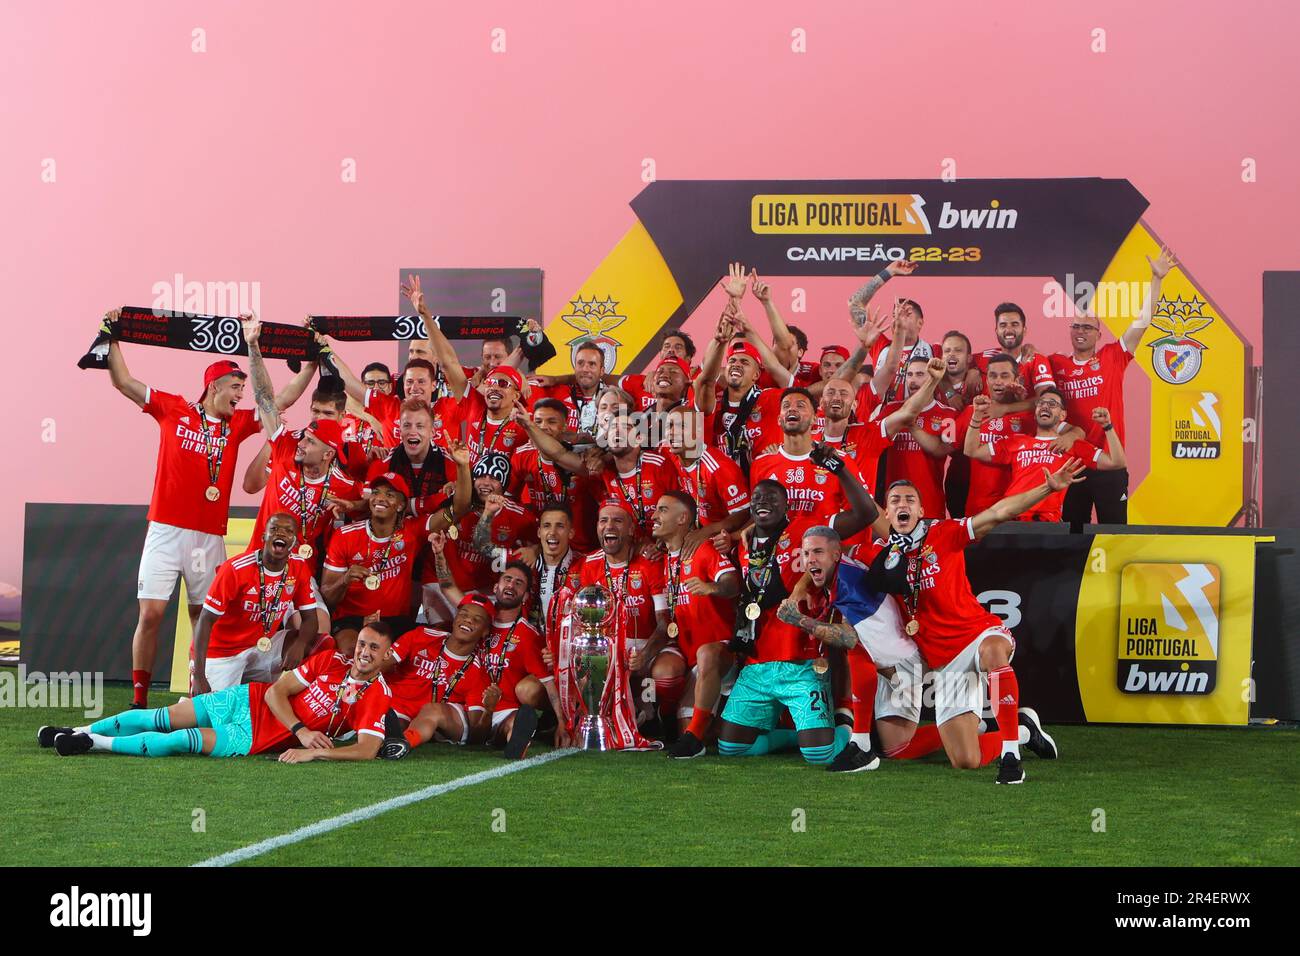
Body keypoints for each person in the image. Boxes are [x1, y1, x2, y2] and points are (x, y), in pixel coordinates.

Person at [103, 309, 307, 707]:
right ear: (214, 386)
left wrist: (313, 362)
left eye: (242, 390)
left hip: (207, 537)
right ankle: (139, 700)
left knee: (203, 618)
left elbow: (280, 399)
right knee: (151, 617)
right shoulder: (173, 408)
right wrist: (111, 336)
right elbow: (124, 382)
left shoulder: (238, 424)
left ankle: (199, 693)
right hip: (164, 529)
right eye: (235, 387)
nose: (240, 396)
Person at [846, 473, 1074, 783]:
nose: (903, 505)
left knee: (994, 651)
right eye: (895, 500)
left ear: (921, 511)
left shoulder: (945, 533)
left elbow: (998, 513)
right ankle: (1023, 730)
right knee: (966, 760)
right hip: (945, 663)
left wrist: (1047, 488)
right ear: (886, 513)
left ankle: (1011, 756)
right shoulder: (876, 557)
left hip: (977, 633)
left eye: (910, 500)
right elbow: (831, 561)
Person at [714, 443, 876, 766]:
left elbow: (866, 514)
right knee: (731, 748)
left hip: (801, 661)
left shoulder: (807, 530)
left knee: (820, 755)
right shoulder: (745, 546)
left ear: (787, 505)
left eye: (773, 499)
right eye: (757, 498)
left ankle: (846, 731)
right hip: (757, 664)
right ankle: (790, 738)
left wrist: (838, 467)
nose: (763, 504)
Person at [42, 623, 396, 762]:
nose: (364, 652)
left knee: (179, 740)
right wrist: (300, 733)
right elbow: (276, 692)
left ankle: (92, 743)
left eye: (374, 649)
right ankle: (77, 731)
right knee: (161, 717)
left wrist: (314, 754)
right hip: (247, 700)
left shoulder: (377, 694)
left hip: (253, 736)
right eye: (363, 644)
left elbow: (367, 749)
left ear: (386, 655)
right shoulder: (331, 661)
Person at [777, 523, 921, 772]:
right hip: (882, 662)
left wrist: (799, 620)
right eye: (806, 553)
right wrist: (801, 588)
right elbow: (821, 563)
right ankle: (861, 741)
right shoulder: (844, 563)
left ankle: (862, 744)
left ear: (835, 555)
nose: (810, 560)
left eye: (817, 552)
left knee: (900, 749)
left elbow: (849, 639)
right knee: (891, 746)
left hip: (901, 665)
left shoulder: (848, 587)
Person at [1050, 246, 1177, 524]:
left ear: (1098, 333)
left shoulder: (1113, 356)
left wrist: (1157, 279)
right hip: (1073, 463)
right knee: (1072, 539)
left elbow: (1143, 322)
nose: (1080, 331)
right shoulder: (1055, 363)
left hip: (1110, 462)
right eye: (1076, 326)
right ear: (1069, 331)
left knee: (1115, 535)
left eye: (1087, 328)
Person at [321, 453, 471, 653]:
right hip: (352, 620)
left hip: (394, 622)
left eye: (390, 494)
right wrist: (345, 580)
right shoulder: (344, 535)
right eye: (376, 492)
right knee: (352, 652)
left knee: (426, 652)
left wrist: (463, 466)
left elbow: (459, 508)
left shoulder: (412, 530)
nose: (380, 498)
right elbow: (327, 597)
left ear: (401, 505)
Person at [651, 492, 741, 759]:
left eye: (662, 510)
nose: (654, 516)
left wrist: (711, 587)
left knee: (707, 654)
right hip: (693, 659)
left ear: (683, 518)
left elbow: (734, 583)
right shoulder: (666, 559)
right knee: (701, 735)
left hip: (722, 652)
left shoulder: (705, 549)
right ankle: (699, 729)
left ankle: (701, 733)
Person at [191, 513, 319, 694]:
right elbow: (204, 620)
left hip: (261, 647)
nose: (281, 534)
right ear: (263, 537)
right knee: (210, 716)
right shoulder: (235, 569)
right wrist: (199, 675)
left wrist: (299, 645)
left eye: (288, 531)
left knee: (321, 643)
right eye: (274, 529)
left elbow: (311, 619)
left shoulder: (298, 566)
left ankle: (301, 705)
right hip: (223, 652)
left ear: (295, 543)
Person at [963, 391, 1126, 522]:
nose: (1045, 406)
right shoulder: (1017, 441)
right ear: (1035, 413)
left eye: (1052, 404)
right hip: (1012, 519)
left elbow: (1117, 462)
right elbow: (971, 451)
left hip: (1047, 522)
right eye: (1041, 403)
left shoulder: (1072, 445)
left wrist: (1107, 426)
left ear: (1062, 415)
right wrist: (977, 415)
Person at [379, 595, 498, 758]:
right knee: (389, 722)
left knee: (432, 710)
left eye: (477, 619)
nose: (468, 620)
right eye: (463, 614)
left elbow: (477, 737)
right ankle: (396, 738)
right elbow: (380, 666)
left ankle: (403, 743)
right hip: (402, 707)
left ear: (485, 631)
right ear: (455, 618)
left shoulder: (479, 672)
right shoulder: (421, 635)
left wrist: (489, 710)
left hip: (442, 716)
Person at [874, 356, 958, 518]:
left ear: (934, 377)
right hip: (893, 506)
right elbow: (873, 441)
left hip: (930, 503)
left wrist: (911, 424)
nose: (913, 380)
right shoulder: (891, 410)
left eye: (920, 374)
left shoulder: (949, 414)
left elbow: (941, 450)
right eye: (910, 375)